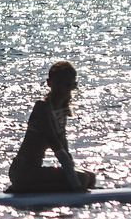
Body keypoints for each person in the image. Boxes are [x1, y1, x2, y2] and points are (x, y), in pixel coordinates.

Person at [7, 61, 96, 193]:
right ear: (49, 83)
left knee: (90, 177)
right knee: (82, 179)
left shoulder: (61, 111)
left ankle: (70, 185)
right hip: (22, 171)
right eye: (58, 83)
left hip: (33, 172)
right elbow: (56, 147)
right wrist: (76, 185)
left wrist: (75, 176)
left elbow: (65, 151)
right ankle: (22, 188)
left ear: (74, 85)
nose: (62, 89)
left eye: (67, 85)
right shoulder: (42, 107)